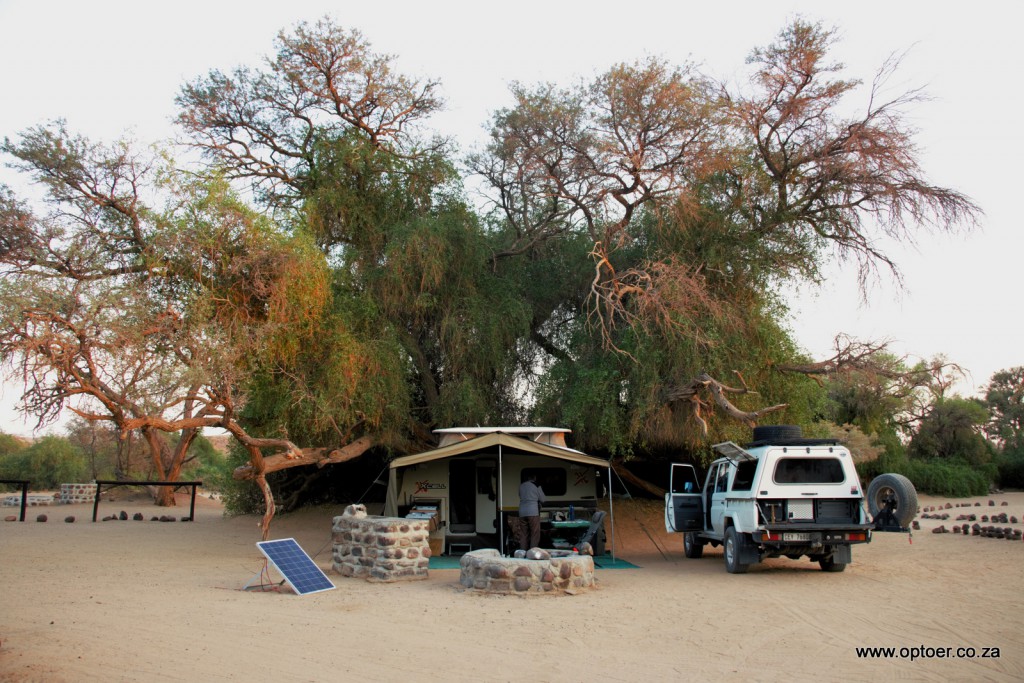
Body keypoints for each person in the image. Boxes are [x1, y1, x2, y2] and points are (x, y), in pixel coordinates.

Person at [518, 473, 546, 550]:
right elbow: (543, 499)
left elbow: (520, 496)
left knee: (523, 534)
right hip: (533, 511)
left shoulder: (521, 485)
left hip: (522, 512)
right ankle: (532, 552)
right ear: (534, 478)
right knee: (535, 533)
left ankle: (522, 552)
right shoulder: (536, 485)